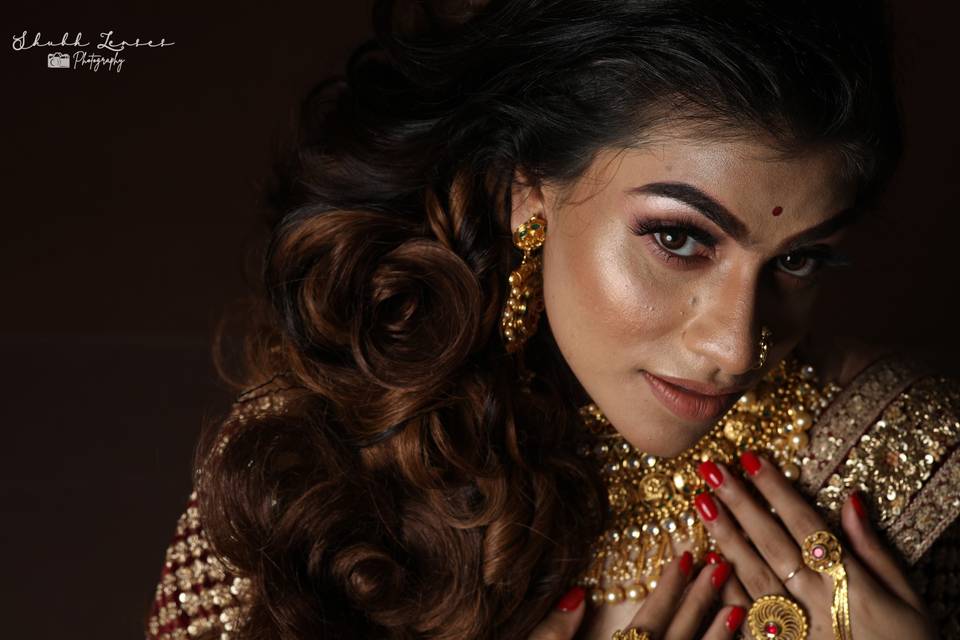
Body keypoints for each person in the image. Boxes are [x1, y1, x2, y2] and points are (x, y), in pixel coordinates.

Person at [144, 1, 960, 638]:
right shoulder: (316, 458)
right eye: (679, 239)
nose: (736, 346)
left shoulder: (904, 461)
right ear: (526, 187)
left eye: (798, 259)